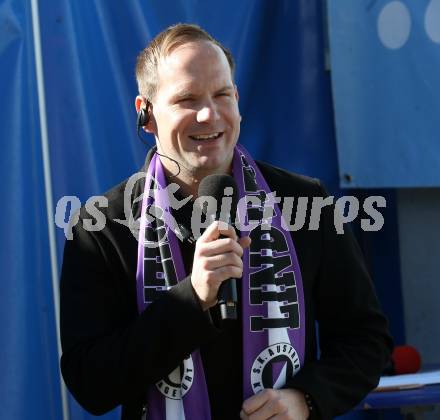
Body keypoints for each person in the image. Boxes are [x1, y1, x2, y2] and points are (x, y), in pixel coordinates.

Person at [60, 23, 393, 420]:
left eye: (221, 95)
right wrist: (193, 299)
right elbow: (90, 384)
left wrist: (305, 399)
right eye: (186, 99)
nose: (209, 114)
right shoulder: (101, 225)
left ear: (236, 100)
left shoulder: (306, 203)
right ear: (146, 114)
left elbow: (366, 341)